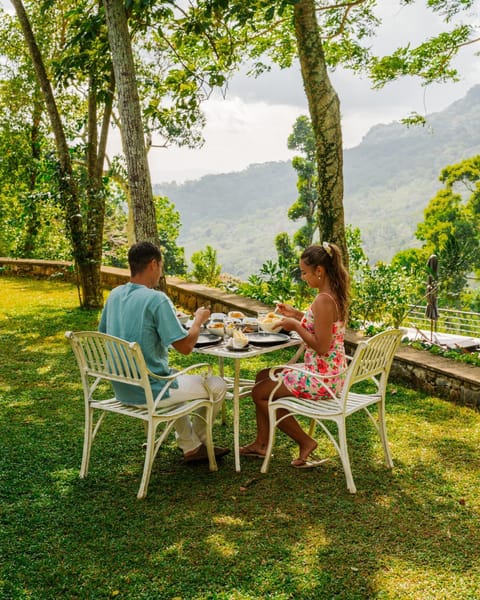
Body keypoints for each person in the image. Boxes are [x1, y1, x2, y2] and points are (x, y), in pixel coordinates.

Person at [98, 241, 229, 463]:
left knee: (174, 373)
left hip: (122, 387)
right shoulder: (156, 299)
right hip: (151, 390)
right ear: (153, 264)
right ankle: (200, 439)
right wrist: (198, 320)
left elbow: (105, 333)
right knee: (218, 385)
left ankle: (189, 445)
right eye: (160, 266)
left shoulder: (115, 294)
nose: (160, 272)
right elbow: (186, 347)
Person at [240, 242, 350, 468]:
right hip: (331, 374)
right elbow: (321, 324)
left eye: (304, 272)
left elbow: (321, 346)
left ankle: (305, 441)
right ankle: (261, 443)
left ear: (319, 271)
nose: (303, 277)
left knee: (260, 393)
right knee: (263, 375)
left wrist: (294, 325)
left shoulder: (323, 299)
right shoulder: (332, 295)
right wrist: (297, 315)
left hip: (321, 379)